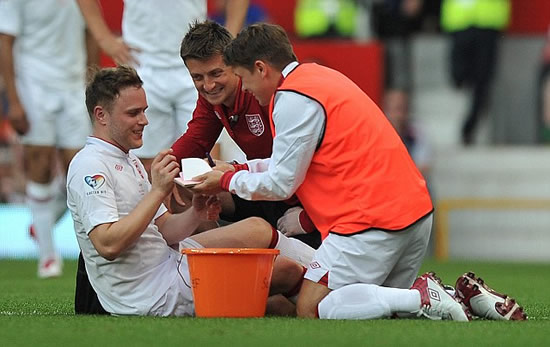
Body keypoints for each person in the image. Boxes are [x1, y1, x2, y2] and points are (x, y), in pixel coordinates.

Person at [191, 23, 526, 321]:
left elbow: (281, 182)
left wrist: (224, 179)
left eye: (244, 79)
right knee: (383, 309)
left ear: (261, 68)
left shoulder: (291, 99)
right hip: (413, 215)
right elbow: (294, 163)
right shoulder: (317, 78)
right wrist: (238, 168)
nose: (245, 89)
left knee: (313, 308)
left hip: (369, 223)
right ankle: (459, 297)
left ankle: (421, 294)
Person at [67, 65, 315, 316]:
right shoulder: (91, 167)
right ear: (101, 115)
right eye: (133, 113)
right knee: (285, 273)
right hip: (153, 293)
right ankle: (334, 284)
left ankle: (330, 280)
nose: (144, 120)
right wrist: (157, 192)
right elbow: (107, 246)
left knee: (258, 232)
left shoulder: (128, 160)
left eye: (144, 111)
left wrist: (196, 212)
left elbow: (164, 230)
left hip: (168, 264)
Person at [171, 20, 321, 248]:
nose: (208, 85)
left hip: (302, 202)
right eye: (197, 78)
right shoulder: (213, 99)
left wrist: (308, 218)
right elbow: (193, 141)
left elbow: (314, 162)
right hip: (269, 190)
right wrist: (158, 179)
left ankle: (191, 257)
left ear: (234, 64)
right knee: (184, 181)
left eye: (216, 73)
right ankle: (202, 259)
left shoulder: (269, 93)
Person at [76, 0, 250, 176]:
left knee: (207, 161)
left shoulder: (207, 77)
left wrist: (230, 40)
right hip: (142, 63)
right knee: (146, 164)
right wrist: (103, 38)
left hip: (197, 63)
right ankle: (157, 204)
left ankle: (207, 204)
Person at [0, 0, 97, 278]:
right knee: (39, 164)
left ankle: (44, 221)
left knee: (79, 169)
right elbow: (5, 42)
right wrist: (13, 100)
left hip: (73, 85)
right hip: (33, 84)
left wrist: (91, 84)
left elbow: (91, 32)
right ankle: (47, 256)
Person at [440, 0, 511, 145]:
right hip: (459, 20)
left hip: (487, 21)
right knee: (458, 76)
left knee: (482, 82)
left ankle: (469, 128)